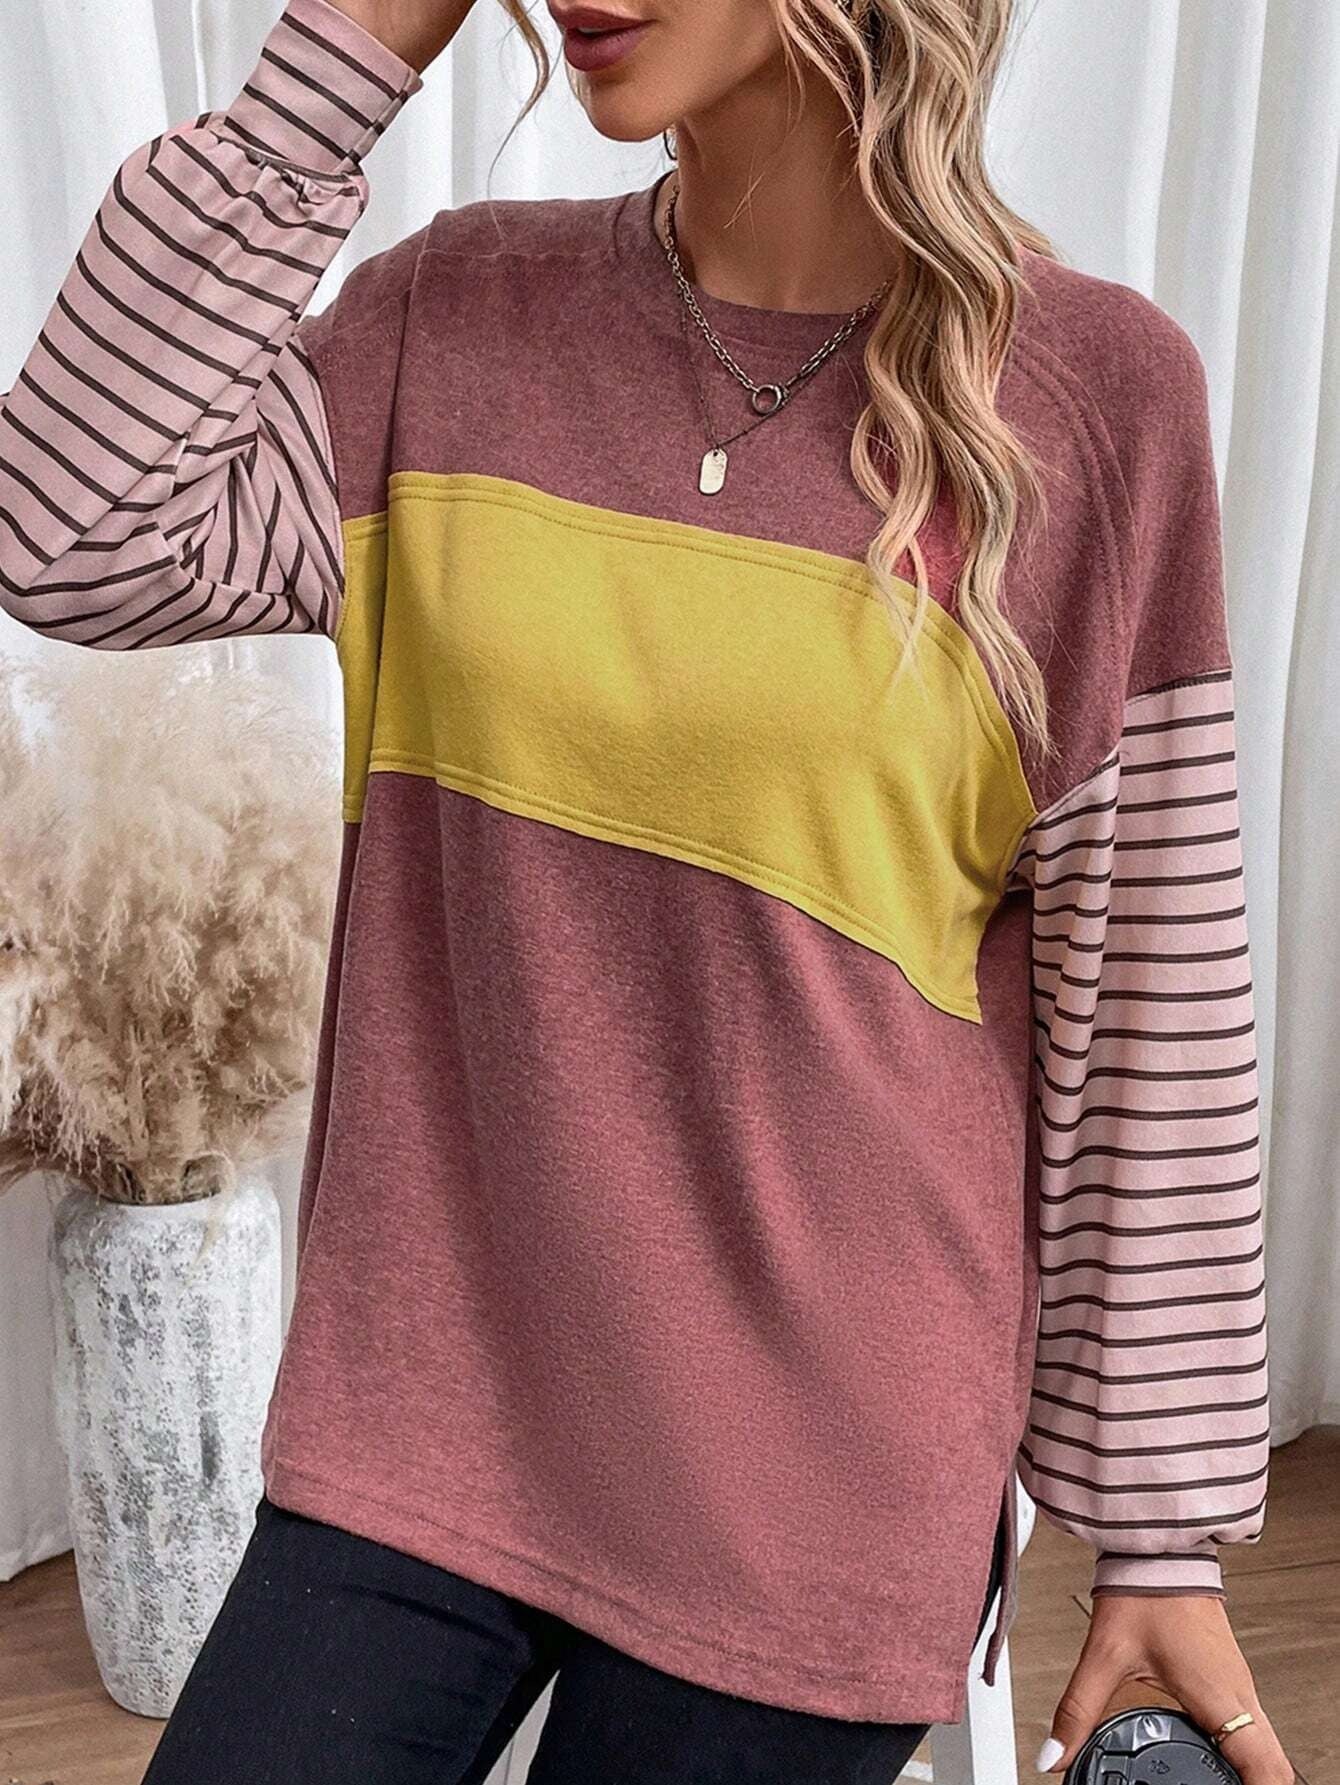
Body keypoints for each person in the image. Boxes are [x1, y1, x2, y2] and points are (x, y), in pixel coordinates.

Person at [0, 0, 1296, 1780]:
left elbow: (1148, 1004)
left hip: (807, 1482)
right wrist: (360, 42)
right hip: (429, 1408)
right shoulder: (451, 319)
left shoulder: (1089, 400)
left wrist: (1156, 1542)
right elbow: (68, 530)